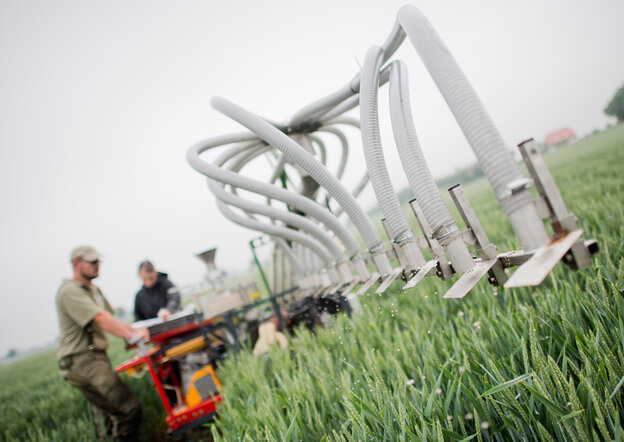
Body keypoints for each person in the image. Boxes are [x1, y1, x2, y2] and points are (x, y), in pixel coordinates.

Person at [56, 245, 149, 441]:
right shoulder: (69, 291)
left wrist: (130, 334)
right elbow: (100, 318)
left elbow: (110, 317)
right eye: (92, 262)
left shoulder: (94, 289)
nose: (97, 265)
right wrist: (133, 334)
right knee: (129, 408)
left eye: (98, 261)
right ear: (76, 264)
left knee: (110, 416)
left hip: (97, 357)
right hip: (82, 360)